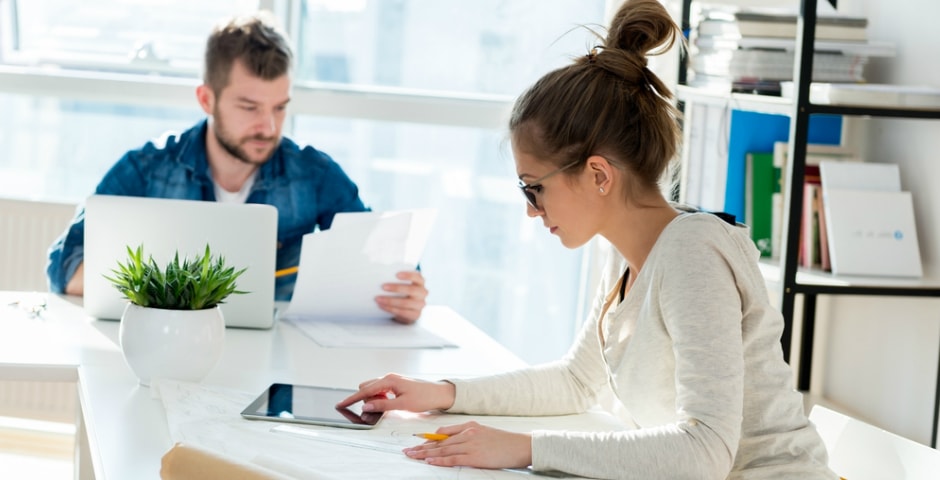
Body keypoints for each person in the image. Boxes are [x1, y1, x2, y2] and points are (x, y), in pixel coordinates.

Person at [337, 0, 838, 477]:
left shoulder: (693, 252)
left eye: (535, 189)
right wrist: (441, 393)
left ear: (599, 174)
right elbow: (577, 382)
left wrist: (524, 450)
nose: (530, 211)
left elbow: (704, 451)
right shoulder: (623, 254)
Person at [45, 12, 427, 324]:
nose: (270, 127)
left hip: (278, 359)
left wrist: (406, 294)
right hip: (169, 345)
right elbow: (65, 268)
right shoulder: (146, 168)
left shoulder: (314, 174)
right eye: (250, 108)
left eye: (280, 107)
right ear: (206, 99)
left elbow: (383, 261)